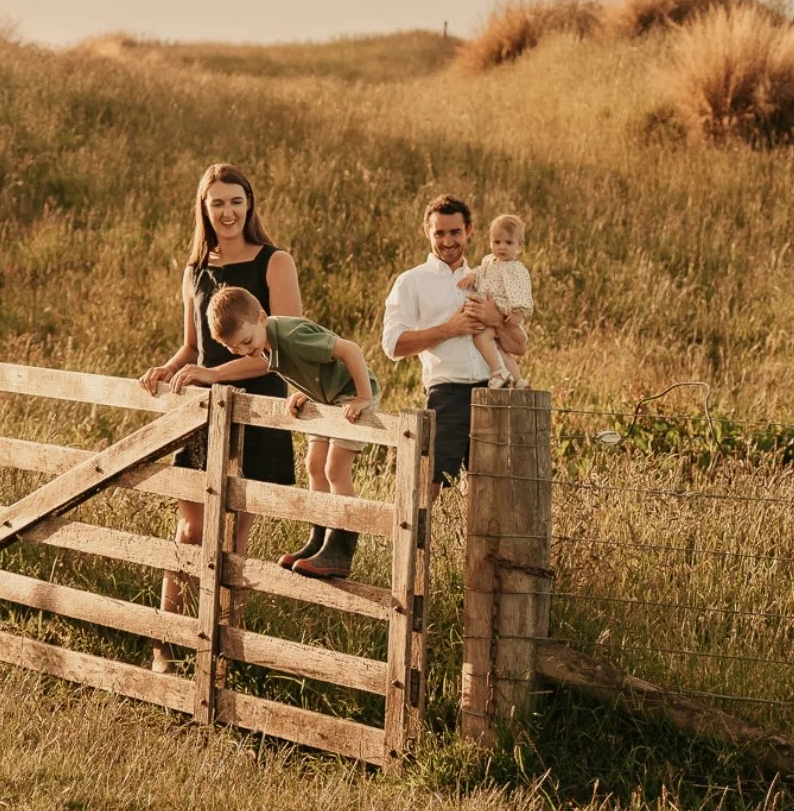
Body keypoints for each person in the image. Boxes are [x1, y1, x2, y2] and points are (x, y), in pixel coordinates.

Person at [139, 163, 301, 670]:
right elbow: (193, 346)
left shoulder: (276, 263)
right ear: (204, 210)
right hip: (205, 411)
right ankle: (167, 644)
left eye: (236, 201)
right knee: (190, 527)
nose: (227, 211)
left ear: (249, 204)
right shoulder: (195, 270)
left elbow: (284, 349)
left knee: (236, 536)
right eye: (217, 203)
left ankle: (223, 652)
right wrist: (165, 369)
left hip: (259, 406)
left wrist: (211, 376)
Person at [207, 284, 377, 581]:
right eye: (234, 349)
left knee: (335, 468)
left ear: (262, 318)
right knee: (313, 465)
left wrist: (362, 397)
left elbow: (350, 350)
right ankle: (319, 538)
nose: (246, 351)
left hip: (352, 393)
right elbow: (305, 367)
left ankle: (341, 547)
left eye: (246, 342)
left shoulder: (290, 334)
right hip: (325, 397)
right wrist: (303, 393)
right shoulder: (264, 342)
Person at [381, 193, 528, 493]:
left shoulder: (489, 277)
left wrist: (496, 319)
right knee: (429, 485)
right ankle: (420, 541)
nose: (448, 241)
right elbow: (393, 345)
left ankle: (477, 543)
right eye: (440, 233)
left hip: (494, 394)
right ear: (428, 233)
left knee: (491, 490)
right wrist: (449, 329)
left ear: (469, 230)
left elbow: (519, 346)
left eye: (455, 232)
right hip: (447, 395)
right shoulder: (411, 281)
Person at [455, 213, 534, 389]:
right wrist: (472, 276)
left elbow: (523, 292)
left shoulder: (517, 269)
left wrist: (519, 313)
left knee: (481, 338)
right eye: (497, 242)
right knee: (500, 349)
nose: (502, 247)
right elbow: (480, 271)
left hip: (505, 312)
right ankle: (518, 380)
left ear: (519, 246)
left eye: (508, 243)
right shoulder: (489, 261)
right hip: (488, 309)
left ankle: (499, 372)